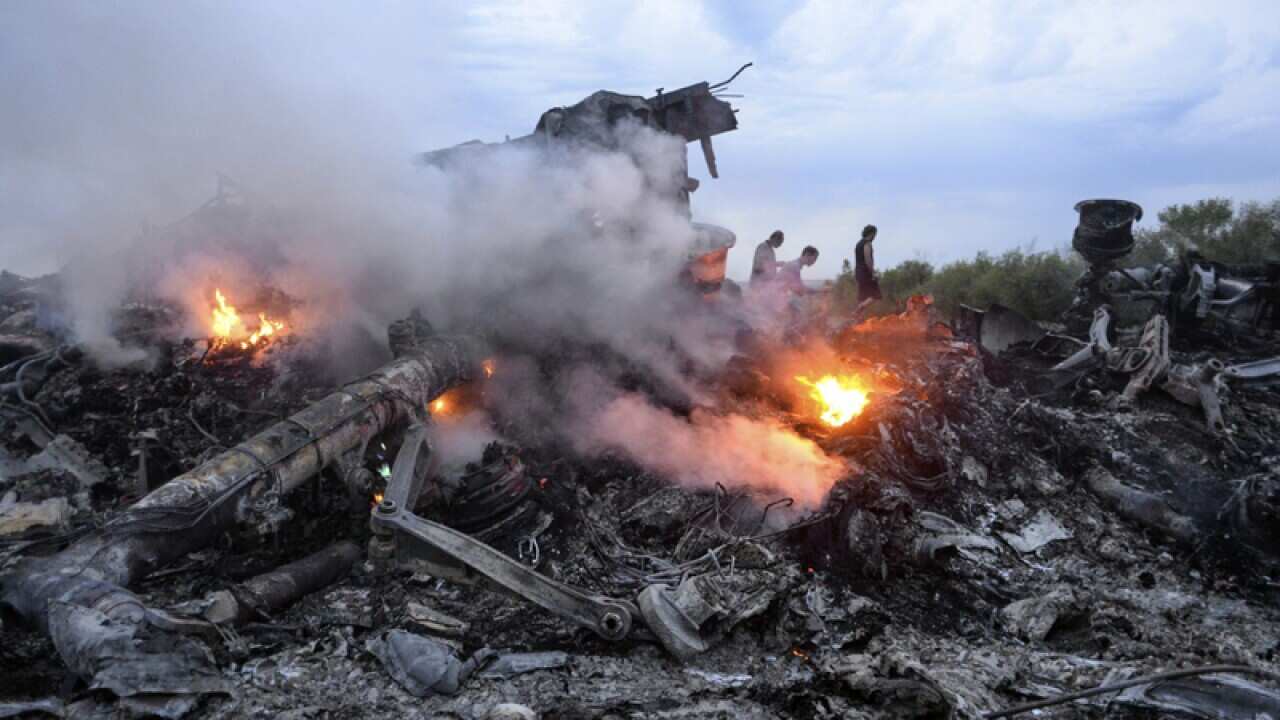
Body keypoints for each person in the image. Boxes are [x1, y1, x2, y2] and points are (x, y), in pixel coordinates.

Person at [854, 224, 881, 311]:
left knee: (862, 297)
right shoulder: (867, 244)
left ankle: (857, 318)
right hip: (866, 273)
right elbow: (868, 259)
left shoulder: (858, 244)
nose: (875, 237)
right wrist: (873, 273)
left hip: (858, 273)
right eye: (875, 234)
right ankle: (859, 308)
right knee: (876, 295)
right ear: (871, 233)